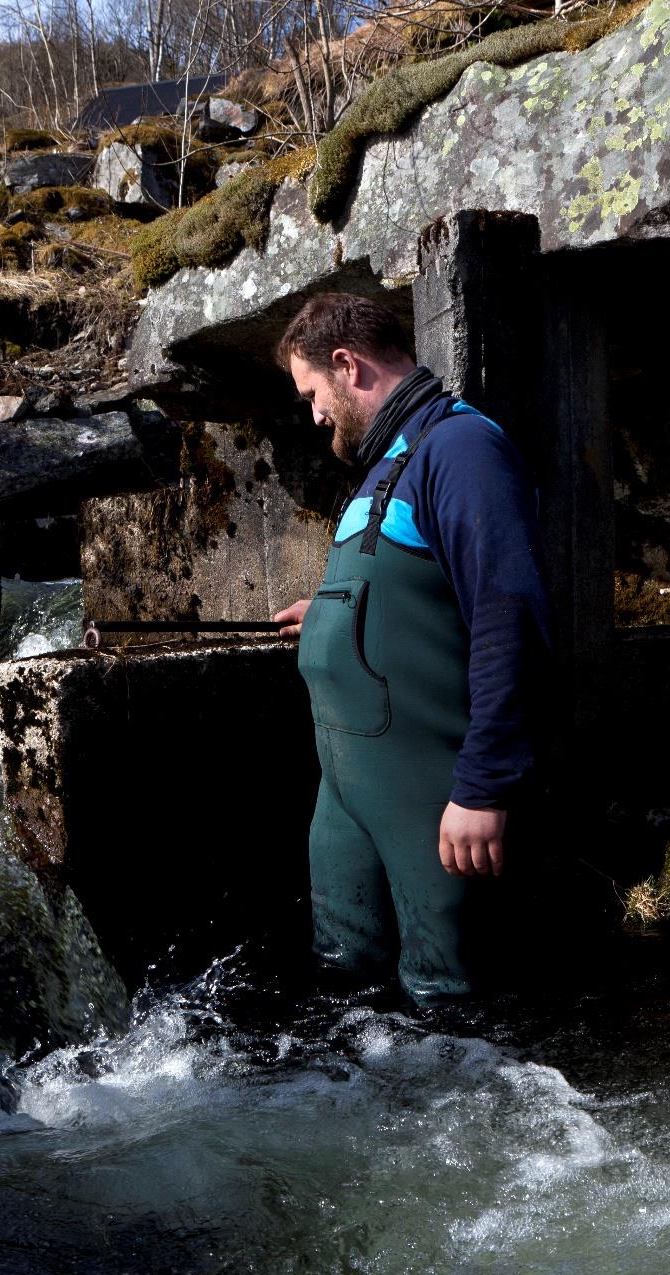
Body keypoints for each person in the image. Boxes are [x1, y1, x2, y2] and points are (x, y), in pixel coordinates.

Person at [269, 293, 550, 1006]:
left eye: (312, 394)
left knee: (447, 1006)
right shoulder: (383, 460)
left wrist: (482, 788)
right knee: (344, 998)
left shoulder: (461, 449)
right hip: (348, 792)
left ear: (347, 365)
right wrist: (333, 614)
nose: (314, 415)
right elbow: (411, 581)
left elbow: (507, 616)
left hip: (433, 802)